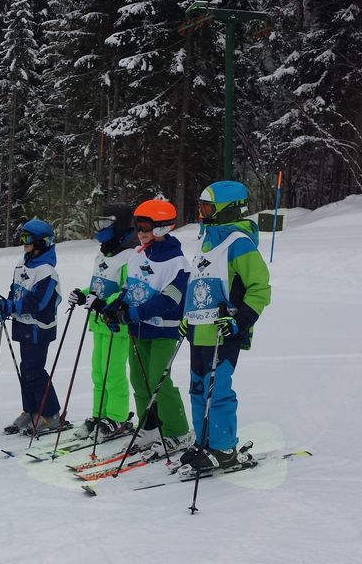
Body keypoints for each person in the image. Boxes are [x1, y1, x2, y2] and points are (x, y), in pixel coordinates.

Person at [179, 180, 271, 470]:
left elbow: (260, 289)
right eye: (201, 207)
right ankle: (203, 442)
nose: (202, 213)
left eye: (208, 208)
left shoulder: (239, 243)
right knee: (197, 389)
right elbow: (197, 286)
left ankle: (224, 448)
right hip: (199, 332)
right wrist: (186, 319)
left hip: (223, 332)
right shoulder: (205, 242)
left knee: (216, 391)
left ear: (227, 209)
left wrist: (239, 321)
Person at [100, 199, 193, 456]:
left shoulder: (177, 262)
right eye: (137, 227)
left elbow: (169, 299)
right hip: (139, 329)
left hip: (165, 329)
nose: (140, 233)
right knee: (139, 381)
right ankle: (149, 427)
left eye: (145, 228)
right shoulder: (137, 255)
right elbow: (129, 289)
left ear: (161, 227)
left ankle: (178, 432)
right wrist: (114, 308)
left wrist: (135, 313)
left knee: (158, 380)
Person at [67, 204, 138, 441]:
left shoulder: (130, 255)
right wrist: (83, 294)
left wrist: (103, 303)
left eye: (105, 223)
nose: (99, 228)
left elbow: (127, 291)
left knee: (113, 372)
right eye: (97, 222)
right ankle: (99, 414)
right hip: (98, 322)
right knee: (98, 372)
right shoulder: (104, 253)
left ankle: (118, 416)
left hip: (116, 324)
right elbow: (98, 286)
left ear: (119, 225)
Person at [0, 219, 63, 435]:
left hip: (39, 328)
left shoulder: (47, 272)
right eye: (22, 238)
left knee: (35, 370)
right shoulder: (21, 265)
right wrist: (5, 306)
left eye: (27, 238)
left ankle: (51, 414)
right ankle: (31, 410)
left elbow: (39, 303)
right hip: (23, 325)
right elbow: (15, 291)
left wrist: (12, 306)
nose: (23, 243)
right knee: (26, 370)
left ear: (41, 242)